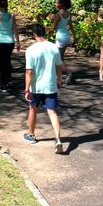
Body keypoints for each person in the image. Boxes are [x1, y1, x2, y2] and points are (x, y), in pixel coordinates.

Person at [24, 24, 65, 154]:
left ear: (33, 35)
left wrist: (26, 89)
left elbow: (29, 72)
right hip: (51, 85)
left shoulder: (30, 50)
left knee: (33, 109)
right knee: (52, 112)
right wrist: (59, 80)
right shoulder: (53, 47)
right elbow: (59, 66)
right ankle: (58, 139)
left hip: (36, 86)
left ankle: (31, 135)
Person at [0, 0, 20, 91]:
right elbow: (15, 29)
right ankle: (8, 81)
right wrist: (18, 42)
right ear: (7, 5)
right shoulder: (12, 16)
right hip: (10, 42)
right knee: (7, 61)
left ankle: (3, 84)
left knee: (2, 63)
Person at [46, 0, 73, 84]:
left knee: (58, 58)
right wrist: (75, 37)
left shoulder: (58, 15)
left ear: (62, 5)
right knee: (60, 57)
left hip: (60, 37)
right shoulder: (68, 14)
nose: (55, 4)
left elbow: (53, 28)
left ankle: (67, 73)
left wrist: (45, 28)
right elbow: (71, 26)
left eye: (57, 3)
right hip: (67, 36)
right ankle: (59, 75)